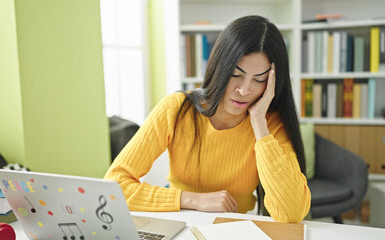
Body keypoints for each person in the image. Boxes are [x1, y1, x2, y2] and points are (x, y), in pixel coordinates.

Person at [104, 15, 311, 223]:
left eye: (259, 80)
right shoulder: (176, 109)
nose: (244, 90)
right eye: (236, 75)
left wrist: (258, 121)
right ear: (220, 67)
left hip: (234, 231)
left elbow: (291, 213)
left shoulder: (269, 124)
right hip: (179, 224)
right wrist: (193, 200)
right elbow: (114, 185)